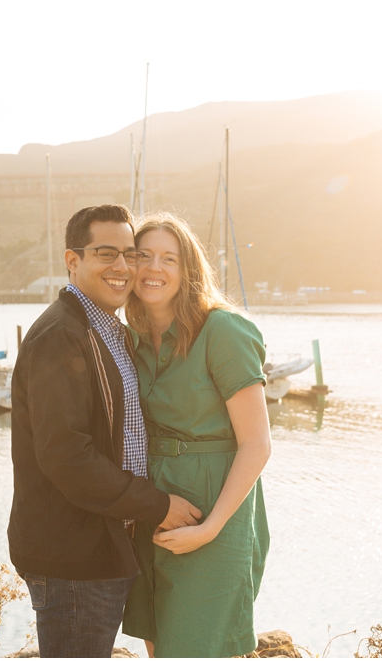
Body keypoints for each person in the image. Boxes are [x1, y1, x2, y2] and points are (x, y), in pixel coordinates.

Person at [8, 204, 204, 658]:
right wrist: (157, 505)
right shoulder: (61, 335)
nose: (122, 267)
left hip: (97, 546)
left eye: (130, 254)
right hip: (74, 554)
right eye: (106, 253)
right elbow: (67, 456)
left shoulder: (105, 330)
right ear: (72, 261)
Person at [121, 213, 272, 658]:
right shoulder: (131, 339)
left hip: (214, 508)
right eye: (144, 255)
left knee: (198, 646)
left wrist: (210, 529)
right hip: (154, 508)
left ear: (188, 271)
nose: (154, 268)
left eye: (169, 258)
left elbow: (257, 444)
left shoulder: (222, 331)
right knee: (160, 644)